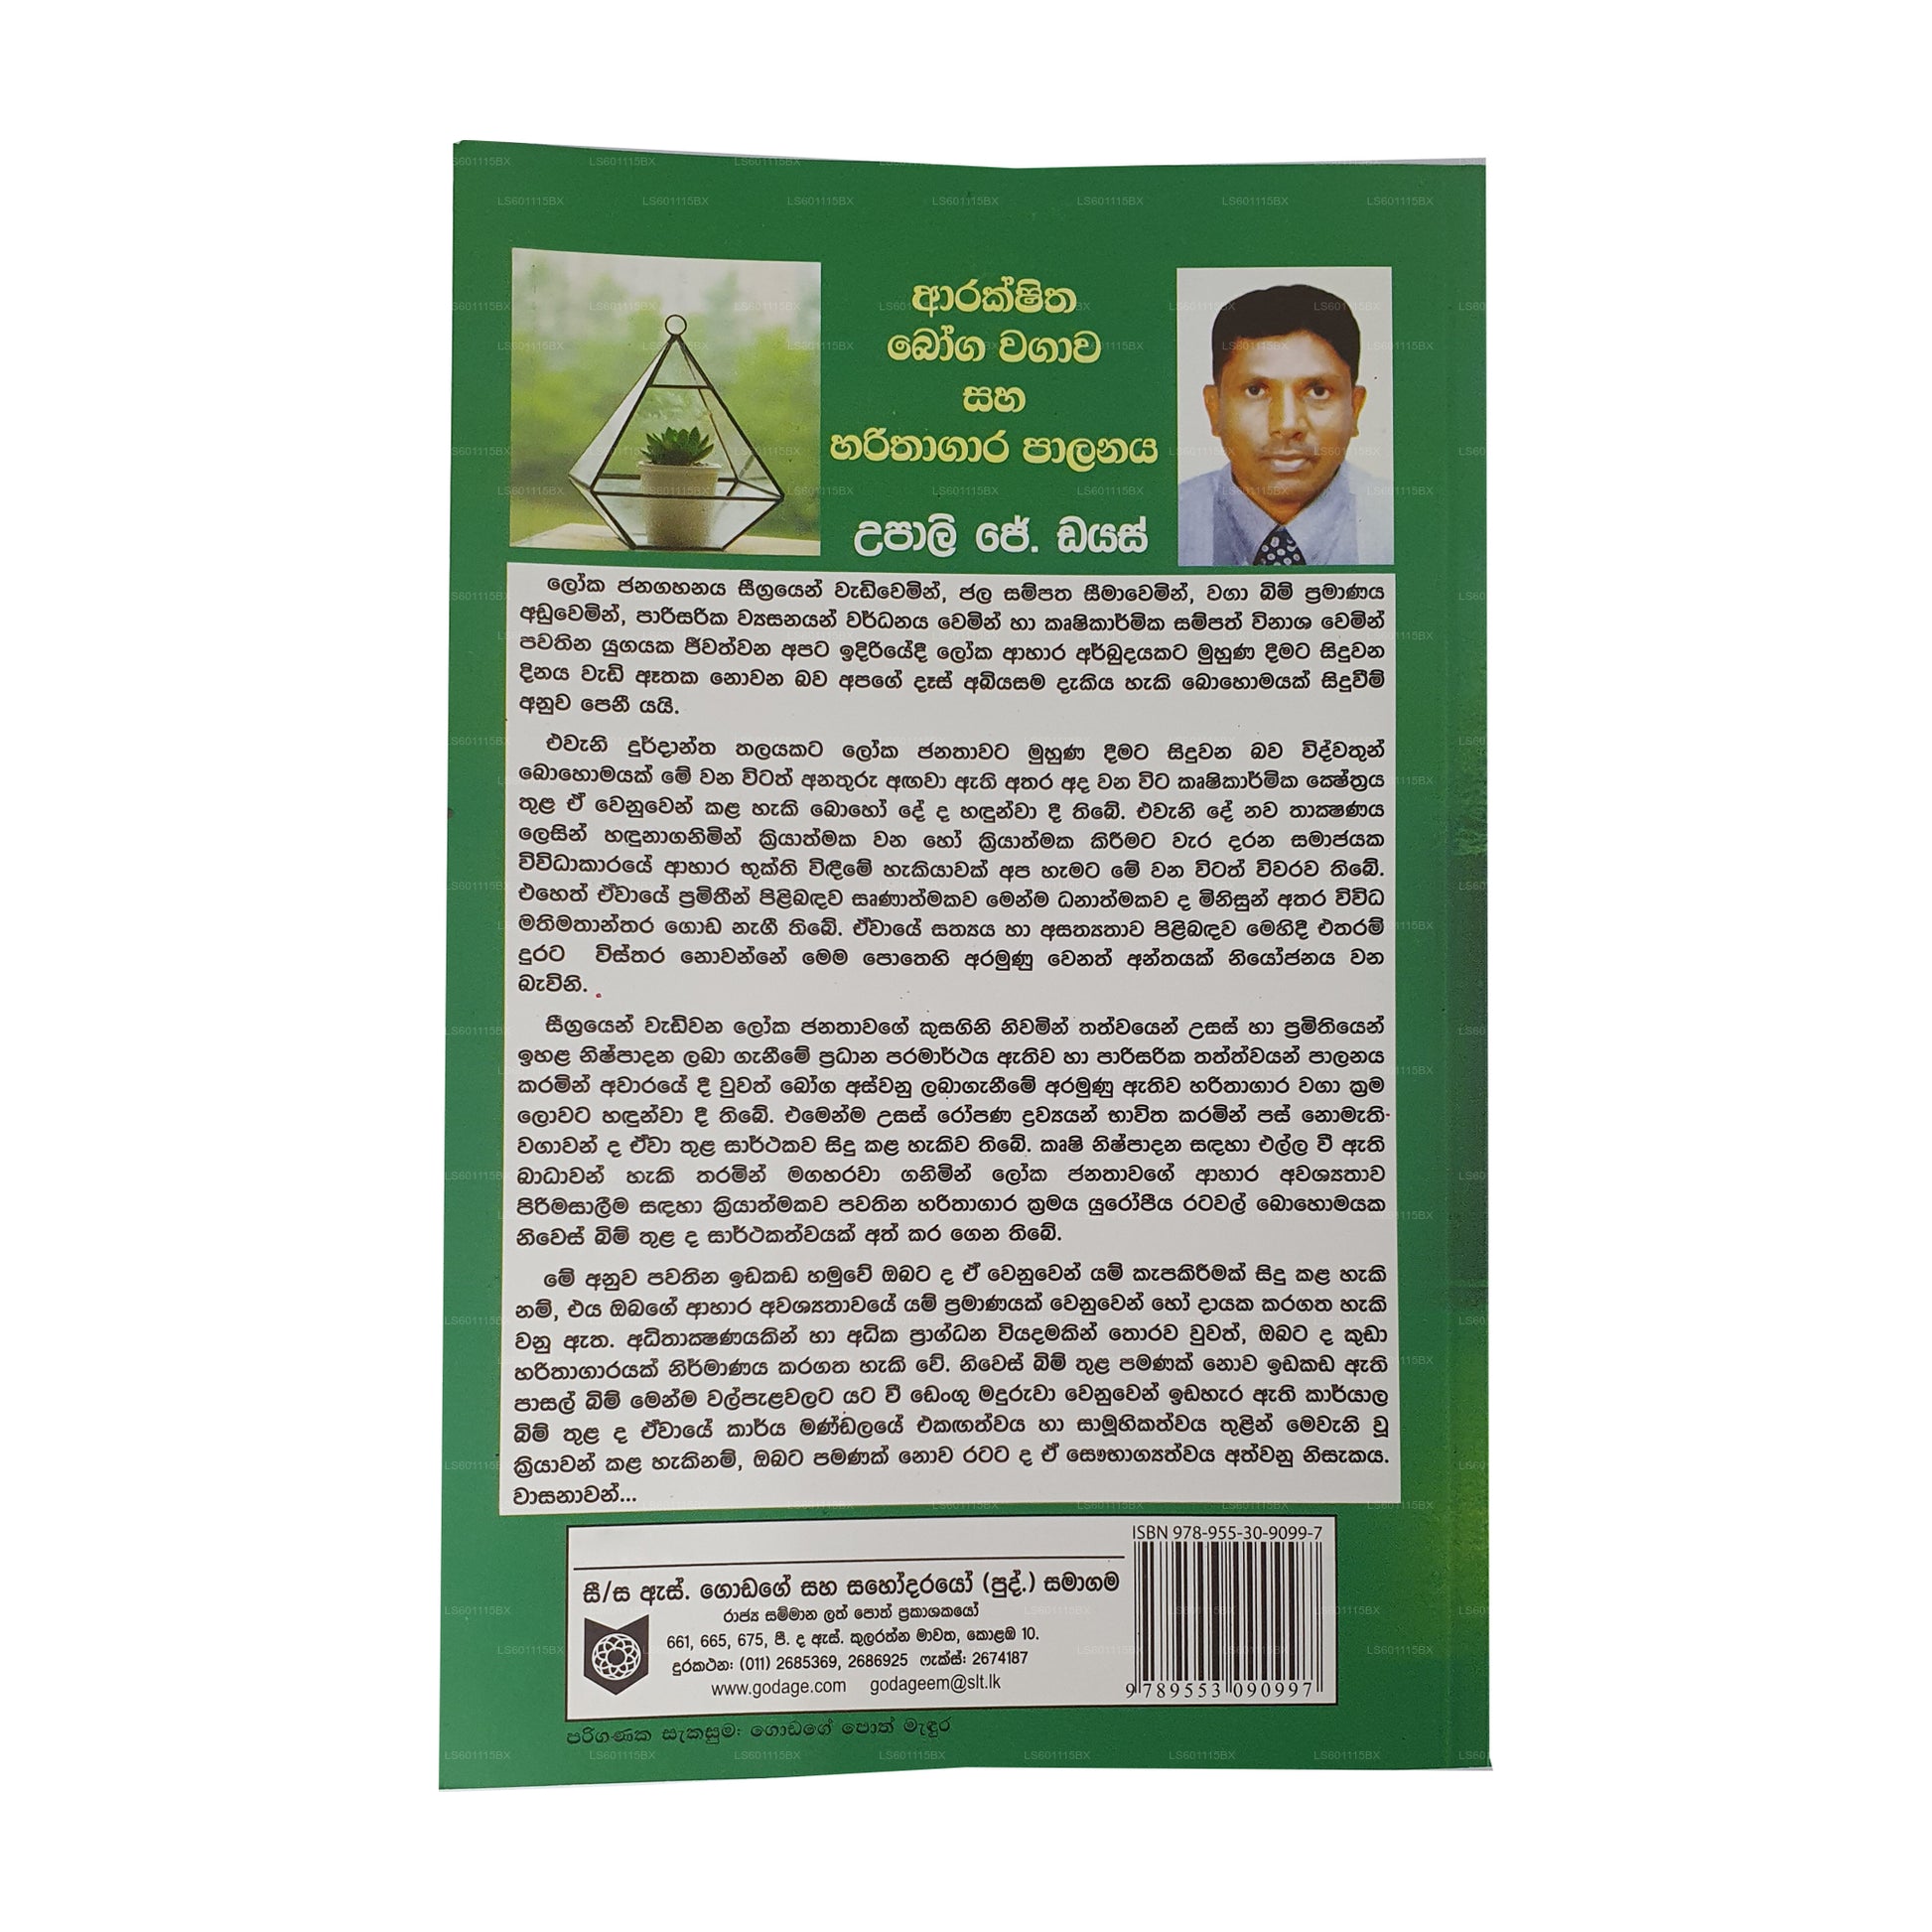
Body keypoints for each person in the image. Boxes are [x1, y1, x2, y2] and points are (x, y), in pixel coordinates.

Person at [1177, 283, 1393, 567]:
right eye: (1255, 390)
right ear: (1214, 408)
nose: (1287, 424)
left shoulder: (1403, 522)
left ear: (1355, 408)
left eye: (1318, 391)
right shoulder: (1165, 521)